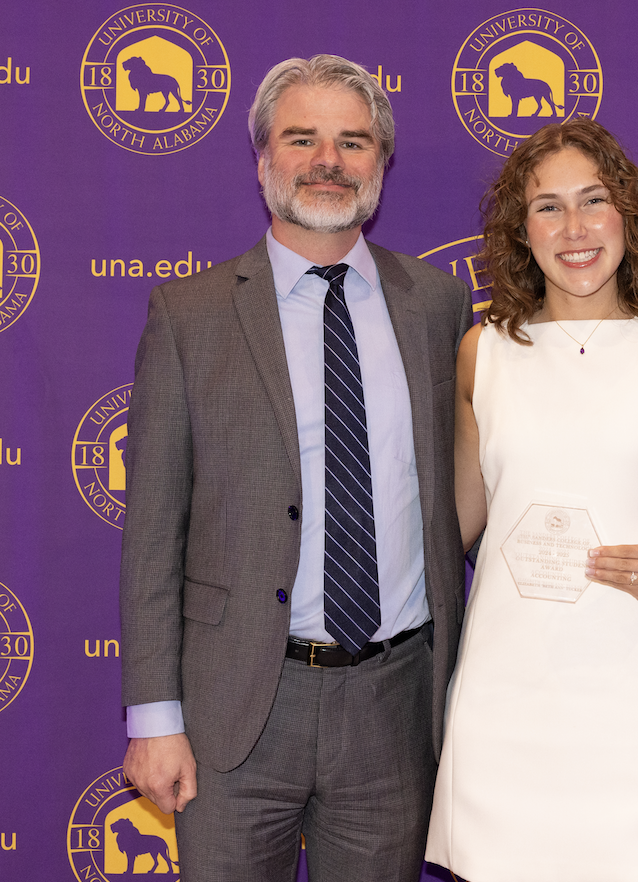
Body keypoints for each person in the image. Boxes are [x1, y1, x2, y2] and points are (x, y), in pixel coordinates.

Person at [119, 54, 472, 882]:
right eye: (302, 138)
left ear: (381, 162)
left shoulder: (437, 305)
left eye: (353, 141)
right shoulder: (189, 314)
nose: (328, 161)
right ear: (262, 159)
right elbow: (153, 532)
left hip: (394, 708)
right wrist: (154, 716)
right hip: (235, 709)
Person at [425, 118, 638, 881]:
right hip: (505, 692)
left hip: (630, 686)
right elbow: (457, 526)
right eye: (548, 207)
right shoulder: (483, 353)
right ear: (522, 231)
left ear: (626, 214)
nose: (573, 228)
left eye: (593, 200)